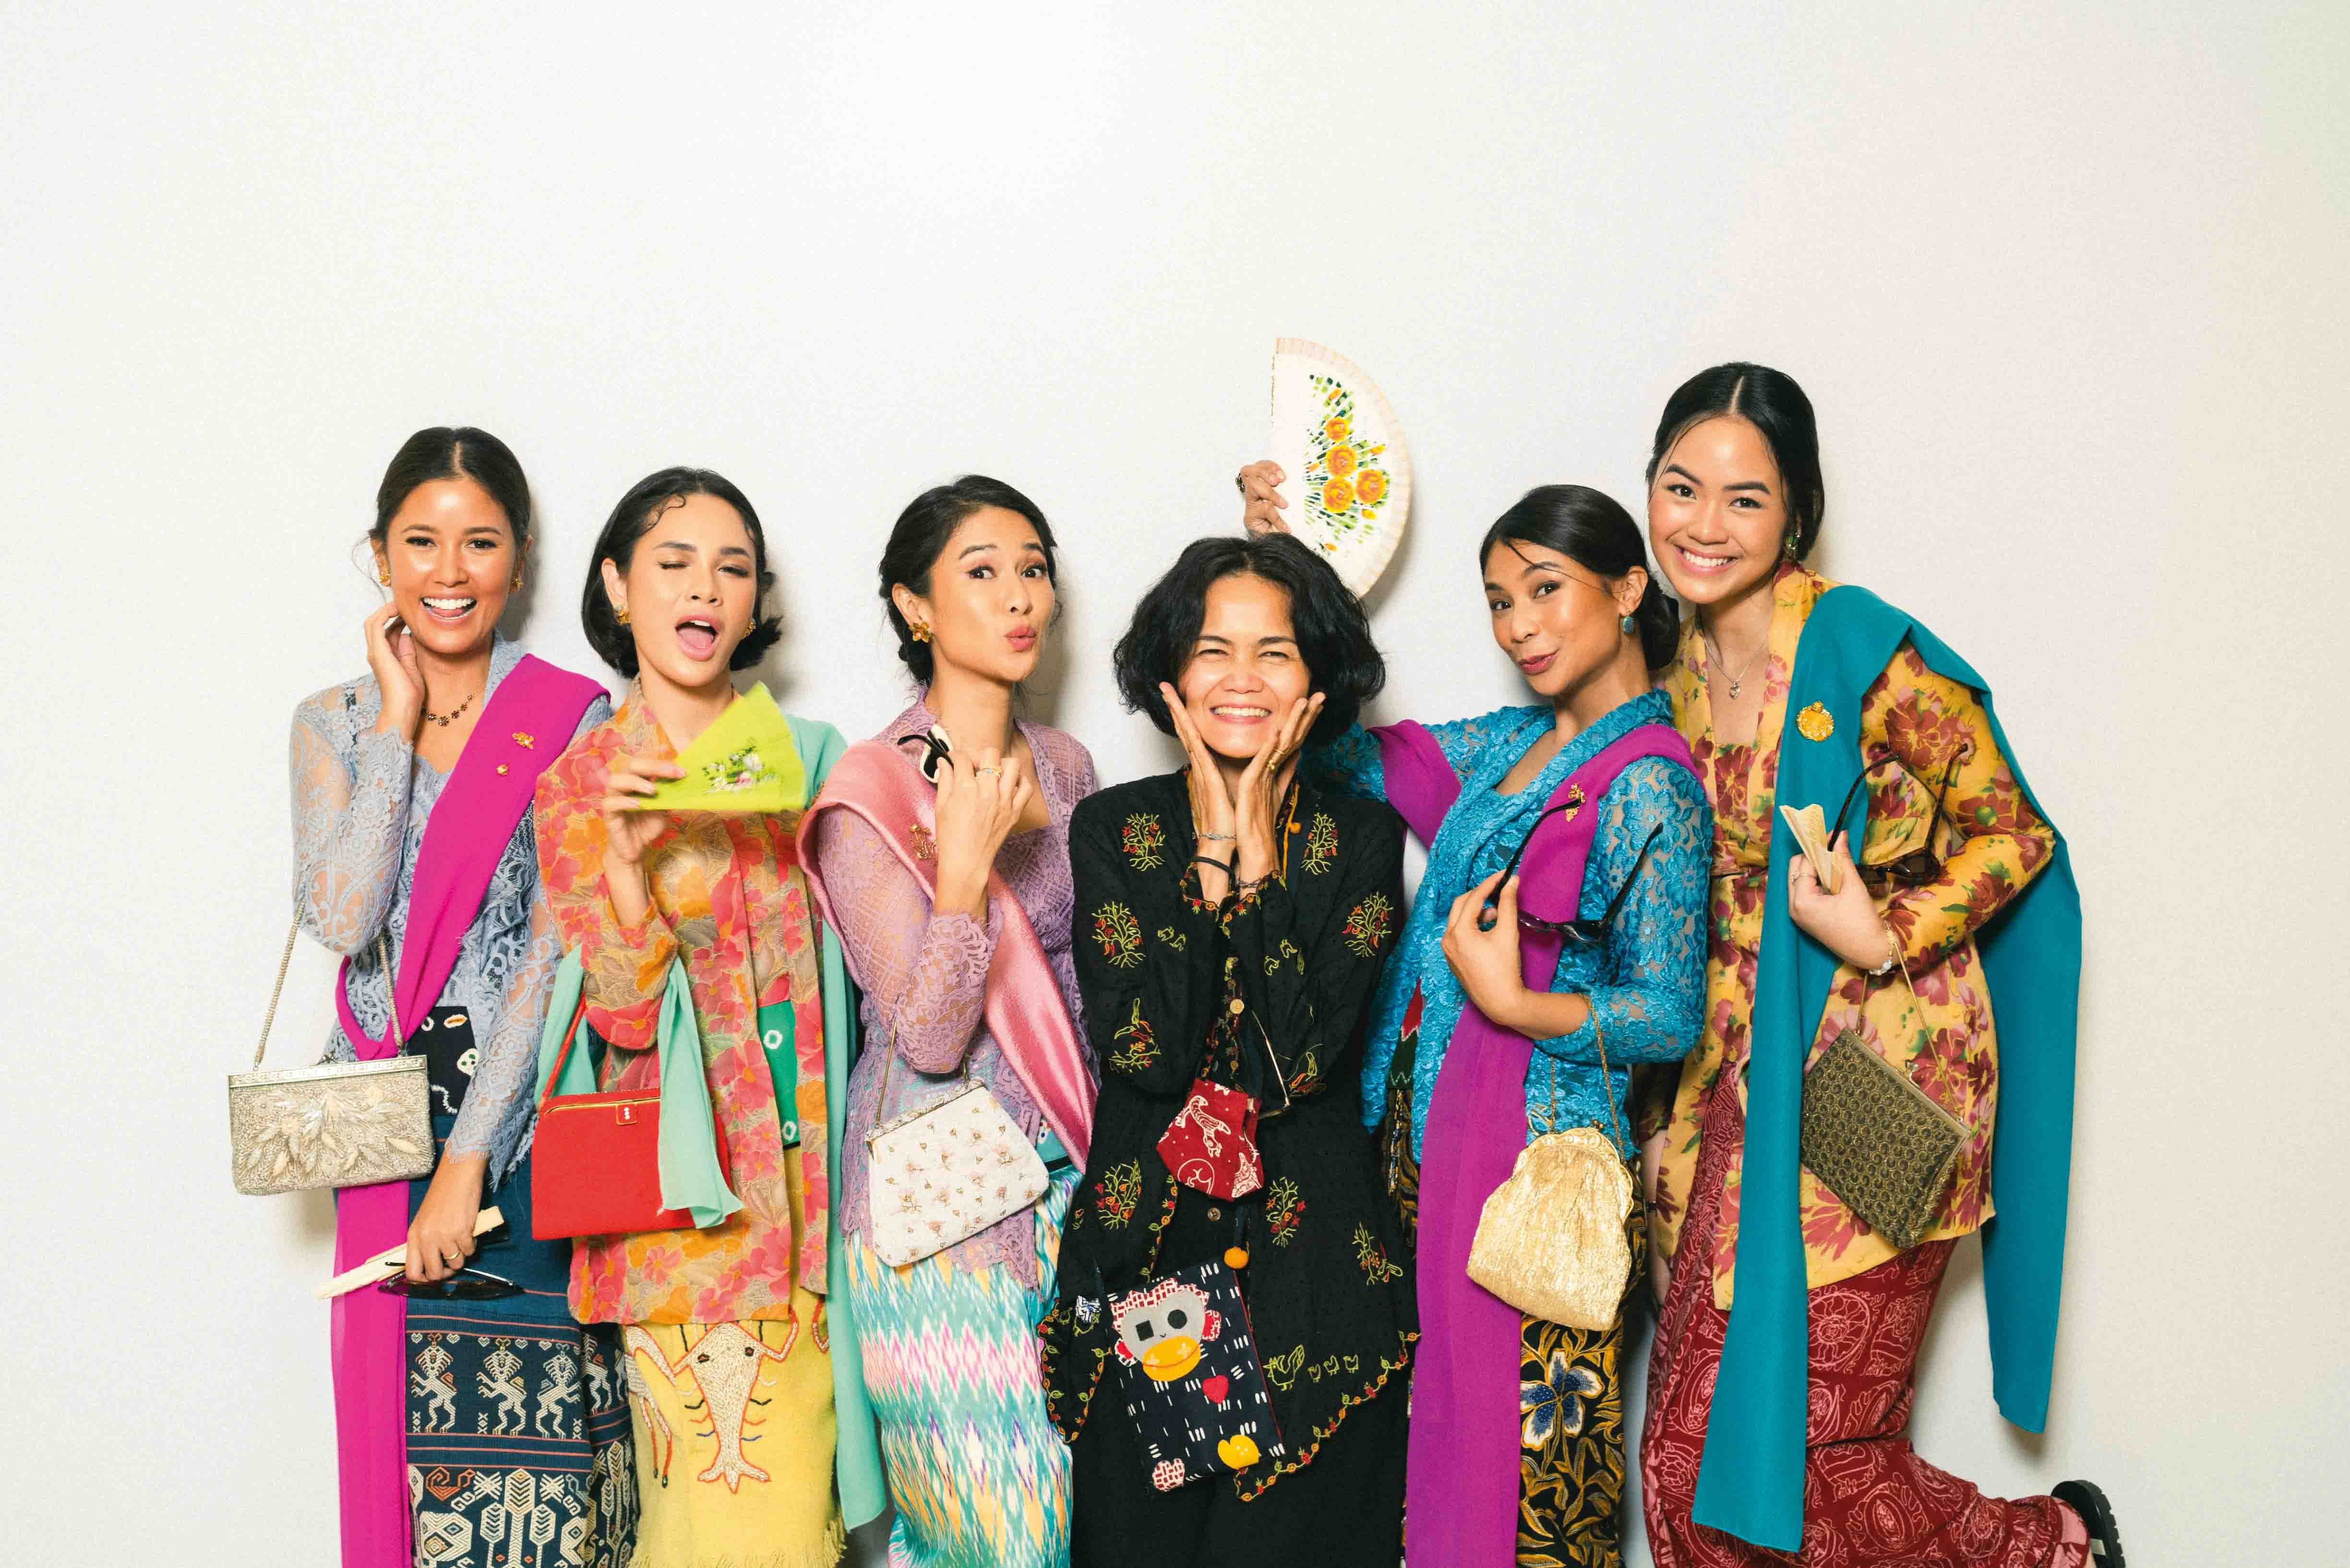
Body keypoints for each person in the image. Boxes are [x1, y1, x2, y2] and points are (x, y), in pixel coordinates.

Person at [1628, 362, 2119, 1567]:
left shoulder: (1862, 649)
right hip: (1721, 1096)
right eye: (1681, 487)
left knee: (1806, 1458)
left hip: (1880, 1076)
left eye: (1745, 498)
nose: (1704, 523)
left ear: (1797, 511)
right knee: (1688, 1470)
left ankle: (2052, 1546)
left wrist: (1889, 927)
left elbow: (2016, 834)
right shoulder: (1663, 664)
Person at [1239, 475, 1713, 1568]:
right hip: (1422, 1134)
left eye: (1545, 590)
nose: (1518, 626)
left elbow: (1668, 1011)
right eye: (1500, 601)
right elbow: (1339, 753)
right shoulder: (1508, 746)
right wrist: (1287, 568)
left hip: (1538, 1159)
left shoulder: (1654, 784)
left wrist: (1515, 1003)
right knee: (1431, 1438)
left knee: (1530, 1459)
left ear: (1627, 588)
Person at [1040, 532, 1414, 1566]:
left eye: (1274, 652)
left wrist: (1261, 869)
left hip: (1315, 1277)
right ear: (1171, 674)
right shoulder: (1115, 828)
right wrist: (1211, 859)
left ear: (1318, 678)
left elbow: (1303, 1061)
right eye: (1213, 650)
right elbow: (1149, 1054)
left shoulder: (1362, 837)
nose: (1242, 678)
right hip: (1158, 1276)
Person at [292, 426, 629, 1568]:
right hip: (381, 1142)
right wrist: (396, 720)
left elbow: (551, 954)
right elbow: (342, 917)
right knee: (403, 1473)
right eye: (421, 542)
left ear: (519, 560)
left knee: (535, 1495)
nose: (450, 571)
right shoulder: (333, 721)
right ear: (379, 554)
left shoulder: (570, 716)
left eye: (480, 542)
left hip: (517, 1142)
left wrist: (469, 1161)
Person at [533, 467, 876, 1568]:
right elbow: (623, 1022)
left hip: (819, 1213)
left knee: (798, 1530)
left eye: (733, 568)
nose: (705, 589)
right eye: (674, 563)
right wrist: (625, 869)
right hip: (684, 1227)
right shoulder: (582, 784)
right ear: (616, 585)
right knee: (715, 1532)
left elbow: (867, 977)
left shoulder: (814, 759)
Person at [798, 476, 1100, 1568]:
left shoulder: (1067, 766)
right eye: (982, 571)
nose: (1019, 596)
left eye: (1033, 569)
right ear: (914, 605)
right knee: (993, 1534)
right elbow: (927, 1036)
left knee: (1080, 1526)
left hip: (1074, 1186)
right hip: (943, 1214)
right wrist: (963, 874)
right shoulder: (869, 789)